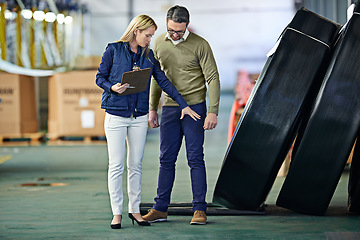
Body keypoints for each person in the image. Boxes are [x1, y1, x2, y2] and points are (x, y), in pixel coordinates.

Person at [96, 14, 200, 229]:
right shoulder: (113, 50)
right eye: (147, 35)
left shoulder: (149, 55)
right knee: (116, 166)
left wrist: (184, 105)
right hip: (115, 114)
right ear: (136, 31)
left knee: (135, 165)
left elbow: (164, 82)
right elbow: (100, 77)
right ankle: (117, 213)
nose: (150, 39)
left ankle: (134, 211)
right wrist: (112, 87)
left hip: (139, 116)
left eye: (152, 36)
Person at [142, 5, 220, 225]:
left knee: (195, 158)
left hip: (195, 108)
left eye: (179, 30)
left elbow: (213, 78)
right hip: (169, 107)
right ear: (166, 24)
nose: (175, 34)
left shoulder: (200, 45)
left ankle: (199, 209)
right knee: (166, 159)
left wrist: (212, 111)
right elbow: (156, 77)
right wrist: (152, 107)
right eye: (171, 30)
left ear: (187, 25)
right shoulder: (157, 43)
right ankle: (160, 208)